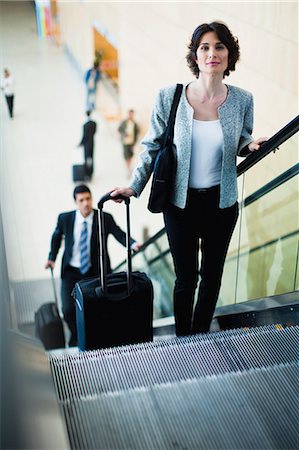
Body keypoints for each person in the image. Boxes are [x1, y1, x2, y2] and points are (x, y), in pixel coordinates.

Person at [110, 21, 267, 336]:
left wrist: (249, 146)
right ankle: (184, 336)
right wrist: (134, 186)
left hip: (221, 204)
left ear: (229, 54)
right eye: (204, 47)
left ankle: (200, 334)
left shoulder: (243, 99)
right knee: (186, 279)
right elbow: (152, 146)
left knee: (212, 278)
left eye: (219, 46)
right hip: (180, 204)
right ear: (195, 56)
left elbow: (238, 140)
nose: (212, 53)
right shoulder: (171, 97)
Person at [45, 184, 140, 346]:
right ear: (75, 202)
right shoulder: (65, 219)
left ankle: (95, 336)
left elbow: (118, 233)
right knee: (68, 310)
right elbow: (56, 238)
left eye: (88, 199)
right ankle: (76, 337)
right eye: (81, 200)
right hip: (71, 272)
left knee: (98, 308)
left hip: (96, 271)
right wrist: (51, 258)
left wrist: (132, 243)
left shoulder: (104, 217)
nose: (85, 203)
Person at [118, 109, 140, 176]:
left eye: (132, 114)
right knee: (126, 156)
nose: (131, 115)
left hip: (132, 142)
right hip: (125, 142)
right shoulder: (124, 122)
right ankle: (128, 169)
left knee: (130, 156)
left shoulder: (135, 123)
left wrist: (135, 142)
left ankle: (129, 168)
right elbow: (119, 129)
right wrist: (124, 134)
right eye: (130, 114)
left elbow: (137, 133)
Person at [79, 111, 97, 178]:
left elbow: (84, 136)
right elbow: (95, 132)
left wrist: (80, 144)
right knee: (91, 158)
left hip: (86, 144)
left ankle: (87, 172)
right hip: (92, 143)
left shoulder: (85, 125)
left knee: (86, 158)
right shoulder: (94, 123)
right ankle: (91, 172)